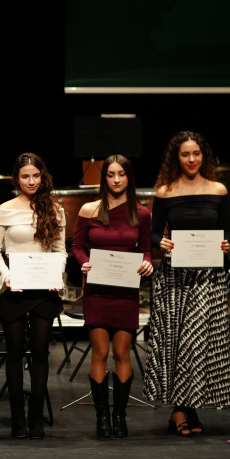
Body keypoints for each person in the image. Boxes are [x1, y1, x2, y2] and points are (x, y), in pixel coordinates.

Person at [142, 131, 230, 437]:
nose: (192, 159)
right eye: (185, 154)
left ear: (203, 155)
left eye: (196, 153)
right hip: (174, 277)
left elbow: (229, 233)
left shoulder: (218, 189)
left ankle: (183, 410)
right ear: (176, 158)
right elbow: (153, 234)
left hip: (208, 275)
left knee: (197, 342)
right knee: (176, 342)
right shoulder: (166, 191)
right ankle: (183, 410)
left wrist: (226, 245)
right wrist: (162, 243)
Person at [71, 155, 153, 439]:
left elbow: (146, 250)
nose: (116, 180)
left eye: (121, 174)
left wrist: (147, 263)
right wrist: (83, 261)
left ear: (129, 178)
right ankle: (101, 417)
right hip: (97, 291)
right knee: (100, 353)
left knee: (122, 353)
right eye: (110, 174)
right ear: (103, 178)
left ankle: (120, 416)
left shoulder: (141, 213)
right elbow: (77, 245)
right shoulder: (89, 210)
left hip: (125, 291)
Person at [0, 152, 66, 439]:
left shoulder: (55, 208)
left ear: (42, 176)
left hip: (44, 289)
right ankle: (17, 418)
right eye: (25, 176)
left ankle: (36, 417)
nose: (31, 181)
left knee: (41, 352)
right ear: (16, 179)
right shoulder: (4, 210)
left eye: (36, 175)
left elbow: (60, 251)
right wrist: (6, 275)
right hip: (14, 288)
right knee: (15, 351)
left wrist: (57, 277)